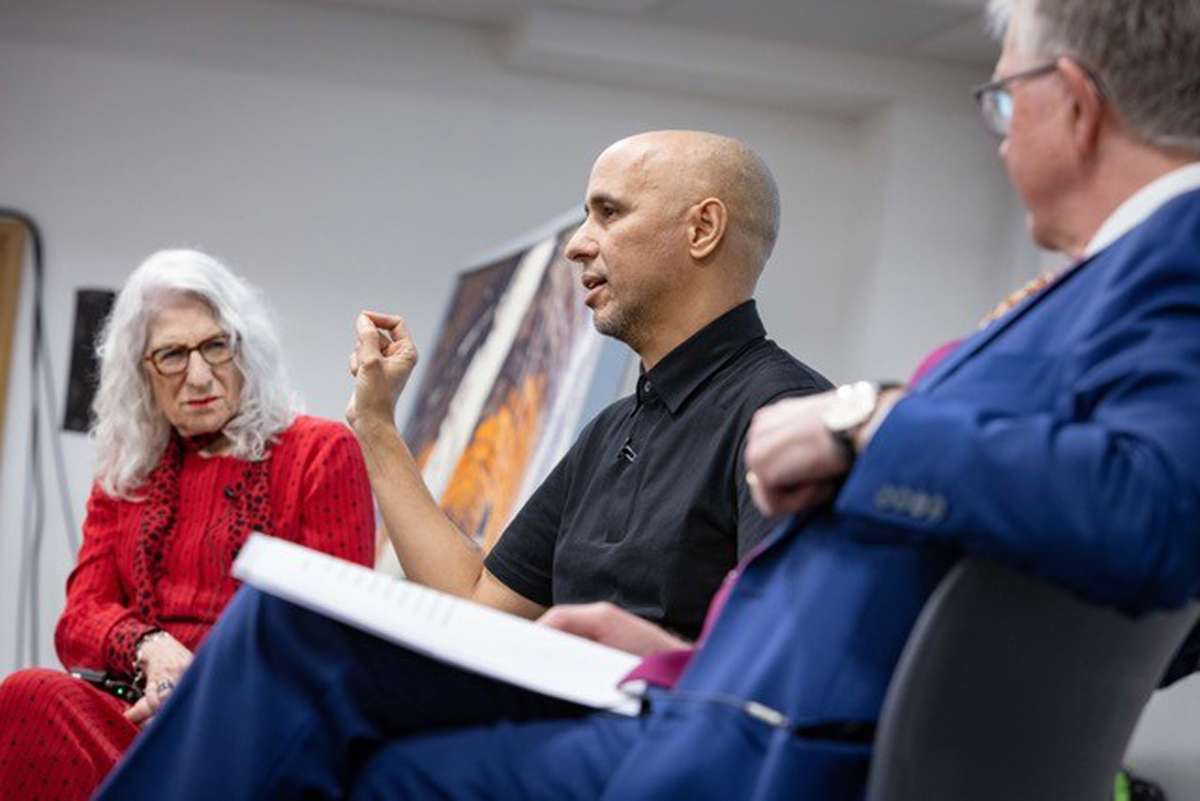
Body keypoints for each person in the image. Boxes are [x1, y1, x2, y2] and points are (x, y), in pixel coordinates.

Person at [97, 0, 1200, 793]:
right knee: (330, 682)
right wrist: (676, 651)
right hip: (706, 695)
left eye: (1003, 96)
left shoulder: (1166, 264)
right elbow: (492, 606)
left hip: (754, 740)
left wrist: (874, 419)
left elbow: (1153, 516)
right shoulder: (624, 422)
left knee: (307, 658)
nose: (579, 241)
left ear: (1079, 103)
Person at [346, 129, 830, 639]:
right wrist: (375, 423)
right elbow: (479, 606)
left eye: (610, 212)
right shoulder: (611, 430)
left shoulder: (787, 417)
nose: (576, 246)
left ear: (703, 229)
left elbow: (785, 649)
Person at [0, 250, 375, 800]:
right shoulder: (126, 471)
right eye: (172, 355)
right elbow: (79, 617)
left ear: (244, 347)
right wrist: (152, 649)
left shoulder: (318, 451)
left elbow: (333, 635)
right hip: (135, 716)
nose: (199, 375)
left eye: (215, 345)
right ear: (141, 372)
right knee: (27, 694)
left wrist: (204, 687)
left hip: (252, 730)